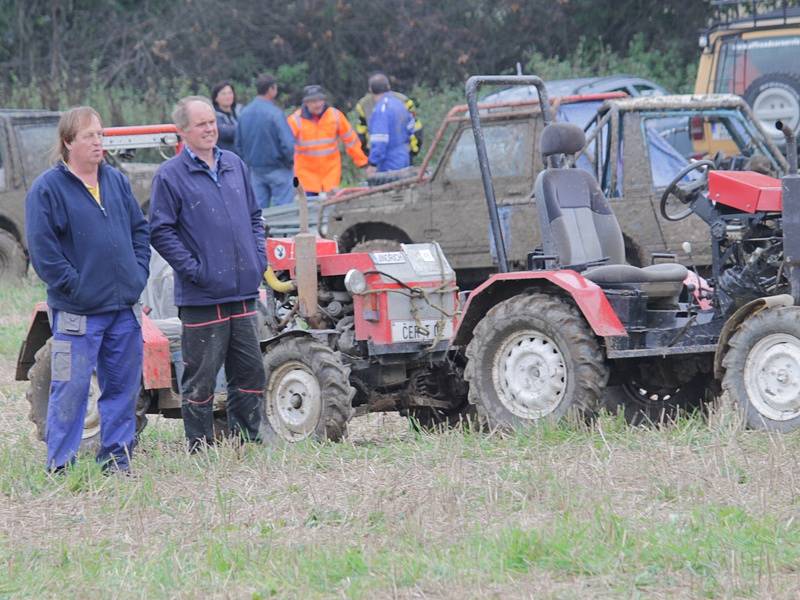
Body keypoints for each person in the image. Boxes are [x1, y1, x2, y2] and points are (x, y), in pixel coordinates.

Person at [25, 106, 150, 473]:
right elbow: (43, 253)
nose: (98, 142)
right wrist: (76, 289)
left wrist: (136, 274)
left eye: (100, 134)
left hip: (123, 310)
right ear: (68, 143)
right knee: (70, 388)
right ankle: (60, 464)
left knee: (123, 390)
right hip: (77, 314)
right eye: (89, 136)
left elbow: (139, 231)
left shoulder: (115, 181)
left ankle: (116, 461)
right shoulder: (47, 189)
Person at [149, 95, 267, 452]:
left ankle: (247, 441)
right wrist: (195, 270)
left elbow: (254, 217)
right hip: (203, 296)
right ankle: (199, 447)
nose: (210, 129)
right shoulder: (170, 176)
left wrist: (257, 259)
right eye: (201, 124)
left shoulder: (234, 164)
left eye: (212, 122)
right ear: (182, 131)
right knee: (200, 380)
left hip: (243, 291)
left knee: (250, 375)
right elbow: (161, 231)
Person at [288, 85, 368, 195]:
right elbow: (285, 147)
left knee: (330, 210)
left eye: (320, 100)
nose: (318, 104)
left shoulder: (335, 116)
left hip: (330, 177)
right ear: (305, 103)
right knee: (309, 210)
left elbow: (351, 141)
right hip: (306, 179)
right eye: (313, 101)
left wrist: (362, 163)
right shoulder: (295, 121)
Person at [236, 74, 295, 208]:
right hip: (279, 168)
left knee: (259, 214)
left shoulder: (244, 113)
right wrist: (288, 162)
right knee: (284, 212)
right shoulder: (275, 113)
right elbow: (288, 145)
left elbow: (238, 144)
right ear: (271, 89)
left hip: (255, 171)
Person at [355, 72, 423, 162]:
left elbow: (361, 133)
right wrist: (413, 151)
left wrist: (368, 157)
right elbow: (415, 128)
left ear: (370, 89)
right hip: (402, 153)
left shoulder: (363, 105)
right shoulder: (403, 100)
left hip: (377, 154)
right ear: (388, 86)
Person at [365, 74, 416, 174]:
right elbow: (411, 128)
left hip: (388, 162)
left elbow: (380, 140)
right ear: (388, 87)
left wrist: (373, 164)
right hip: (404, 157)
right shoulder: (400, 104)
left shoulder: (381, 110)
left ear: (370, 90)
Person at [211, 81, 242, 154]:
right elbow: (225, 133)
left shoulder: (240, 111)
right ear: (216, 98)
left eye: (230, 93)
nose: (227, 96)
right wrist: (245, 129)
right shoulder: (213, 116)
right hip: (224, 157)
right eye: (223, 94)